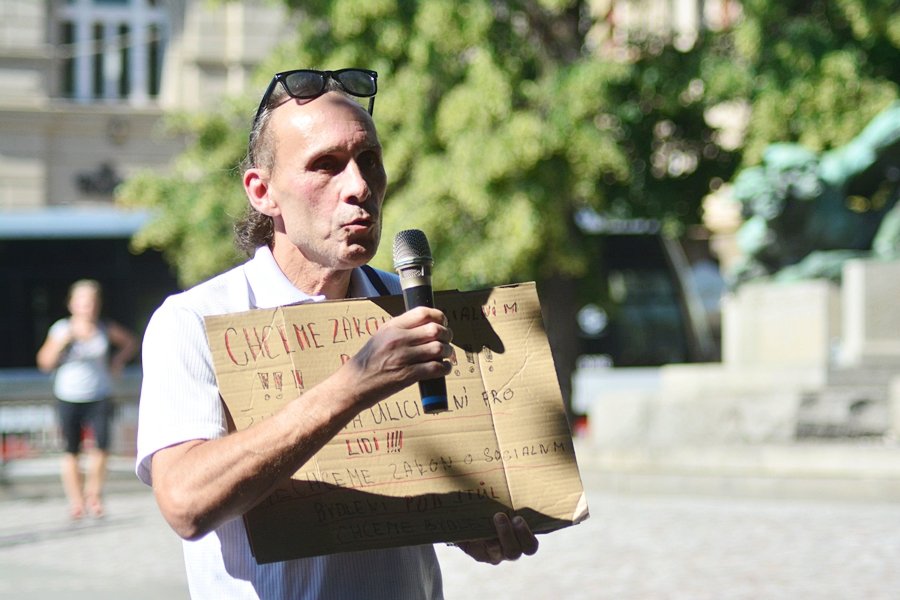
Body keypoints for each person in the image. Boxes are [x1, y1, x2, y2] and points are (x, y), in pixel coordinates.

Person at [135, 68, 539, 599]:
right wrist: (354, 384)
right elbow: (186, 503)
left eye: (368, 160)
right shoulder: (195, 320)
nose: (359, 187)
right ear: (263, 192)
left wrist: (468, 526)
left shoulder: (416, 308)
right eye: (325, 165)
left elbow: (424, 485)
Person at [37, 279, 138, 519]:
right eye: (82, 302)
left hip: (99, 394)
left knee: (102, 447)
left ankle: (94, 494)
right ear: (72, 304)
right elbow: (44, 362)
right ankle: (76, 501)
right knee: (71, 450)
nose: (87, 307)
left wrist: (118, 361)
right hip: (68, 395)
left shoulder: (104, 327)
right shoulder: (61, 329)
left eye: (92, 302)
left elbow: (130, 342)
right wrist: (62, 342)